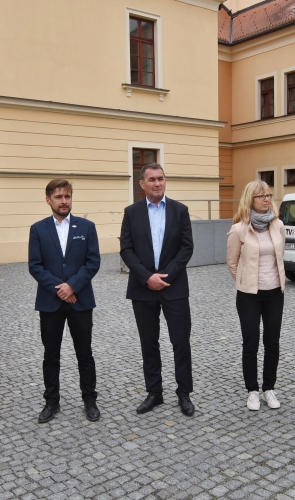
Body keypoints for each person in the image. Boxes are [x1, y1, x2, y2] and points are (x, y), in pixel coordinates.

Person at [120, 163, 195, 417]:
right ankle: (154, 392)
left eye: (161, 178)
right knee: (148, 343)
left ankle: (184, 393)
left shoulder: (180, 210)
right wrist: (146, 277)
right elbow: (126, 250)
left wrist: (166, 275)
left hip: (174, 287)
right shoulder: (131, 212)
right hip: (143, 289)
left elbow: (187, 248)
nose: (157, 183)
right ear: (142, 184)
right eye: (151, 179)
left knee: (180, 341)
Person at [28, 179, 101, 424]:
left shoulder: (86, 226)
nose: (64, 201)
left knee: (85, 353)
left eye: (67, 196)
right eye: (58, 197)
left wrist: (73, 285)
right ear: (48, 199)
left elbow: (93, 262)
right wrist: (60, 288)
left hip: (80, 300)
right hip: (50, 302)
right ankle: (52, 402)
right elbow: (35, 266)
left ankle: (90, 400)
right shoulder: (38, 229)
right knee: (51, 355)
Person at [226, 180, 286, 411]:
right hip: (249, 295)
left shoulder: (277, 225)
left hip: (275, 293)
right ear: (250, 199)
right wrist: (245, 282)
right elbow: (232, 263)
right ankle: (252, 390)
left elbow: (278, 257)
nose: (266, 199)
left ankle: (268, 388)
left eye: (268, 195)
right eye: (260, 196)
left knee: (272, 342)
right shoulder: (239, 228)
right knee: (250, 343)